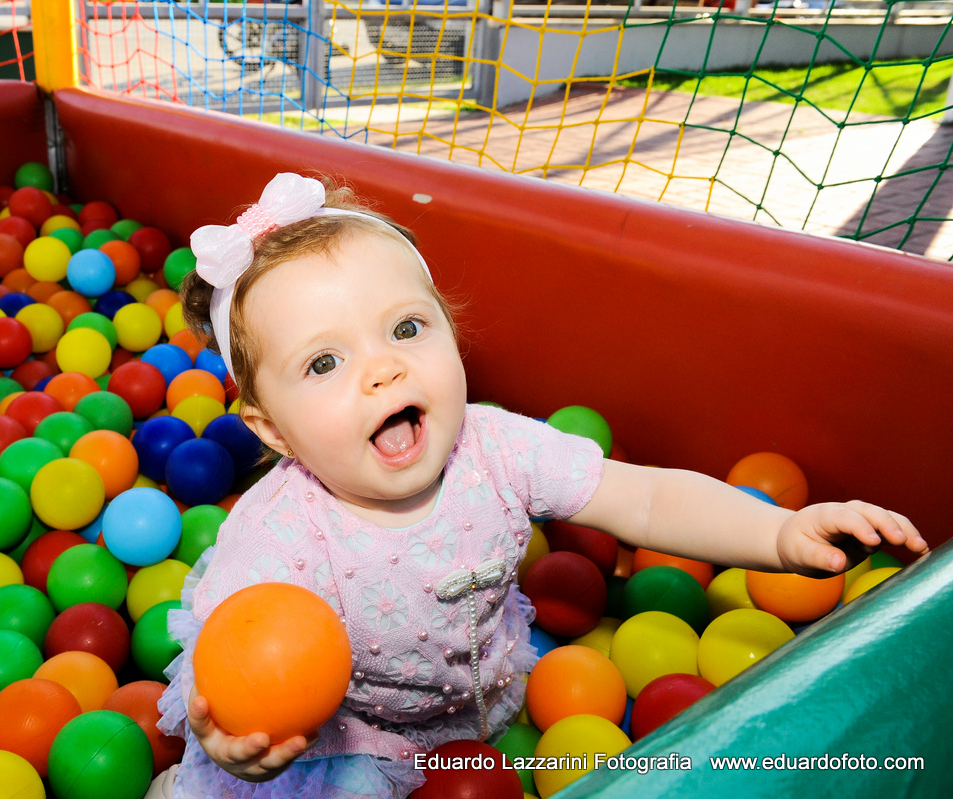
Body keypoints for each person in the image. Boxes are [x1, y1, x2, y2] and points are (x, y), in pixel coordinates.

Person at [152, 172, 928, 798]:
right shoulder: (279, 534)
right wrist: (238, 740)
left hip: (492, 697)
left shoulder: (497, 447)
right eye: (324, 362)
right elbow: (238, 662)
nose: (383, 367)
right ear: (272, 430)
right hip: (356, 739)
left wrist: (775, 533)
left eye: (407, 327)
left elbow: (647, 499)